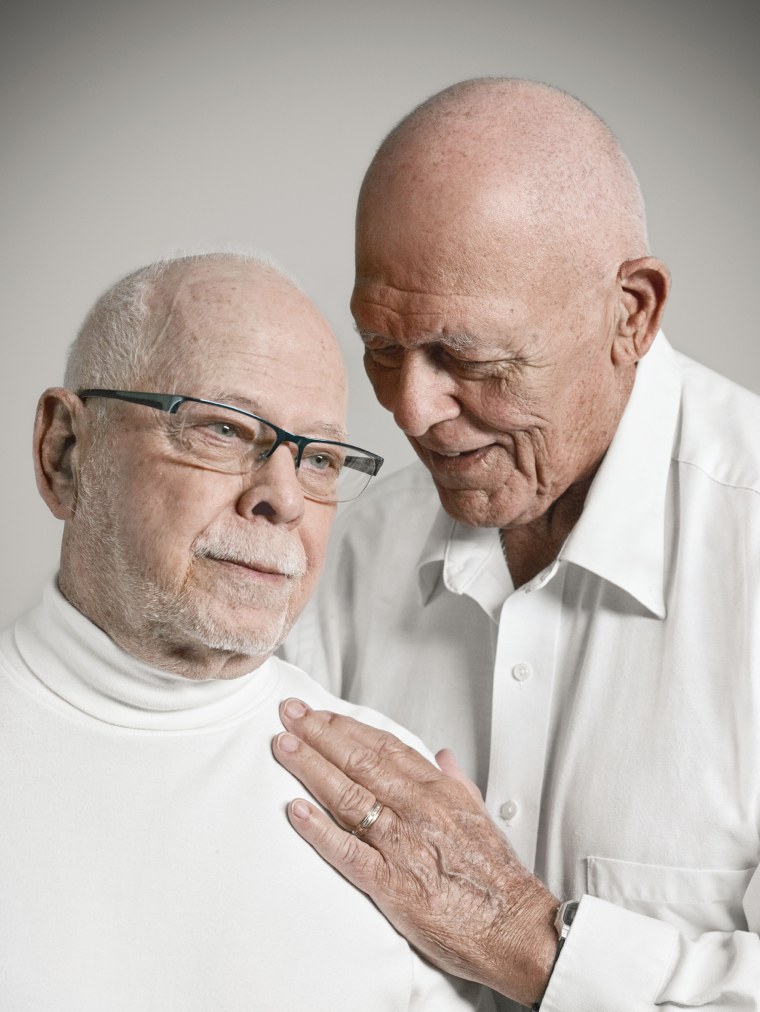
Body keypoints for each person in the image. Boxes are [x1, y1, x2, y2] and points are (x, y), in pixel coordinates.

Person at [277, 79, 760, 1009]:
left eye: (476, 360)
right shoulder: (347, 543)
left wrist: (525, 943)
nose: (412, 412)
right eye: (382, 346)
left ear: (633, 314)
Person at [0, 252, 486, 1011]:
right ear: (64, 451)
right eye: (222, 430)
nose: (284, 498)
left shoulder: (397, 803)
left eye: (320, 458)